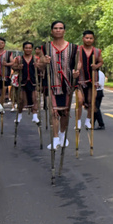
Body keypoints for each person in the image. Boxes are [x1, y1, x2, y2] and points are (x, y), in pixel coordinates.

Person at [38, 21, 79, 151]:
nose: (58, 30)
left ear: (64, 31)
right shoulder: (45, 47)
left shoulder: (73, 47)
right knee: (53, 112)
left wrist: (76, 72)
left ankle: (62, 135)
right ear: (52, 31)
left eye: (60, 28)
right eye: (55, 28)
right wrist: (43, 62)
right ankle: (55, 139)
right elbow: (39, 65)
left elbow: (78, 63)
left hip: (67, 84)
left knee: (65, 112)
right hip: (51, 83)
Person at [75, 30, 102, 131]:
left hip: (92, 80)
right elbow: (72, 62)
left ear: (93, 39)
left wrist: (96, 66)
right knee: (80, 101)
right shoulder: (77, 50)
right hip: (80, 80)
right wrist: (76, 67)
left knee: (92, 102)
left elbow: (101, 62)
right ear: (83, 39)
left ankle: (88, 121)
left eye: (91, 38)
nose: (89, 40)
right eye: (87, 38)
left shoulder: (97, 51)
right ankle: (78, 122)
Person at [12, 41, 40, 124]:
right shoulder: (18, 59)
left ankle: (35, 116)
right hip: (22, 81)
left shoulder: (36, 58)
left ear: (32, 49)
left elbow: (42, 68)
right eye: (26, 48)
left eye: (30, 48)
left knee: (35, 99)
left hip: (33, 81)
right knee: (21, 100)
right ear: (23, 49)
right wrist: (18, 67)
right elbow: (13, 67)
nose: (28, 50)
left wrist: (38, 66)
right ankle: (19, 115)